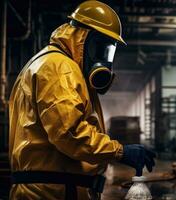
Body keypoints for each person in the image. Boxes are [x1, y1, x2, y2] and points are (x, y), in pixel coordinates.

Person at [8, 1, 156, 199]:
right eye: (101, 47)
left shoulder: (49, 63)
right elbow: (70, 133)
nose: (103, 58)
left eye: (109, 51)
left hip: (50, 189)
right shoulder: (59, 67)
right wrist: (120, 152)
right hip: (54, 192)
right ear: (83, 38)